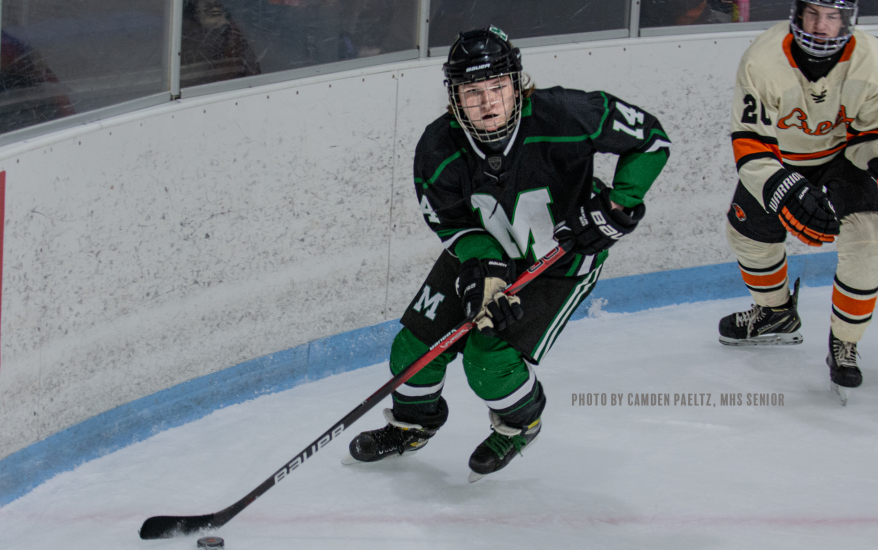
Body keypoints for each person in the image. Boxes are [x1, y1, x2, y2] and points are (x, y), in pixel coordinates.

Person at [344, 26, 670, 480]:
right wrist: (483, 268)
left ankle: (520, 425)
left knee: (487, 359)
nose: (488, 102)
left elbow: (651, 139)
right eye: (472, 91)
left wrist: (619, 203)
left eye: (497, 87)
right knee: (413, 348)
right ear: (454, 96)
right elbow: (450, 221)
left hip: (560, 264)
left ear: (518, 82)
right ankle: (413, 425)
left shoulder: (566, 114)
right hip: (481, 255)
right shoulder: (438, 148)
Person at [719, 0, 878, 402]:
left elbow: (870, 135)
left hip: (844, 159)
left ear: (847, 20)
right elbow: (751, 144)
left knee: (870, 241)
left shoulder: (871, 59)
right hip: (780, 161)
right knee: (746, 234)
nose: (821, 26)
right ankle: (775, 314)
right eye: (812, 13)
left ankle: (844, 342)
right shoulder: (762, 59)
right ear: (796, 13)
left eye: (831, 16)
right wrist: (785, 189)